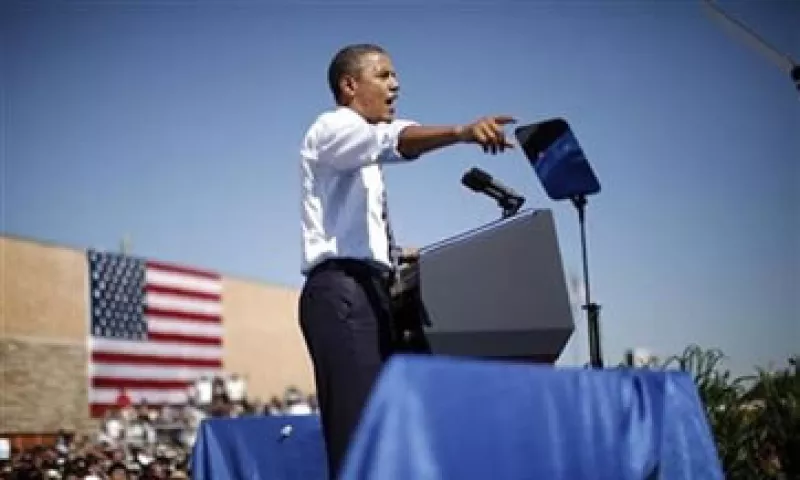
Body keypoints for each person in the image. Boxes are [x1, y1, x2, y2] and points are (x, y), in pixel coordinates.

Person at [298, 43, 516, 477]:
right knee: (360, 439)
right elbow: (395, 140)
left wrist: (399, 255)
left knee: (386, 435)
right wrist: (461, 132)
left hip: (372, 291)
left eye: (395, 76)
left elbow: (362, 220)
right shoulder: (333, 128)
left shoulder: (361, 153)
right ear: (349, 85)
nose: (395, 85)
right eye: (383, 75)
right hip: (343, 293)